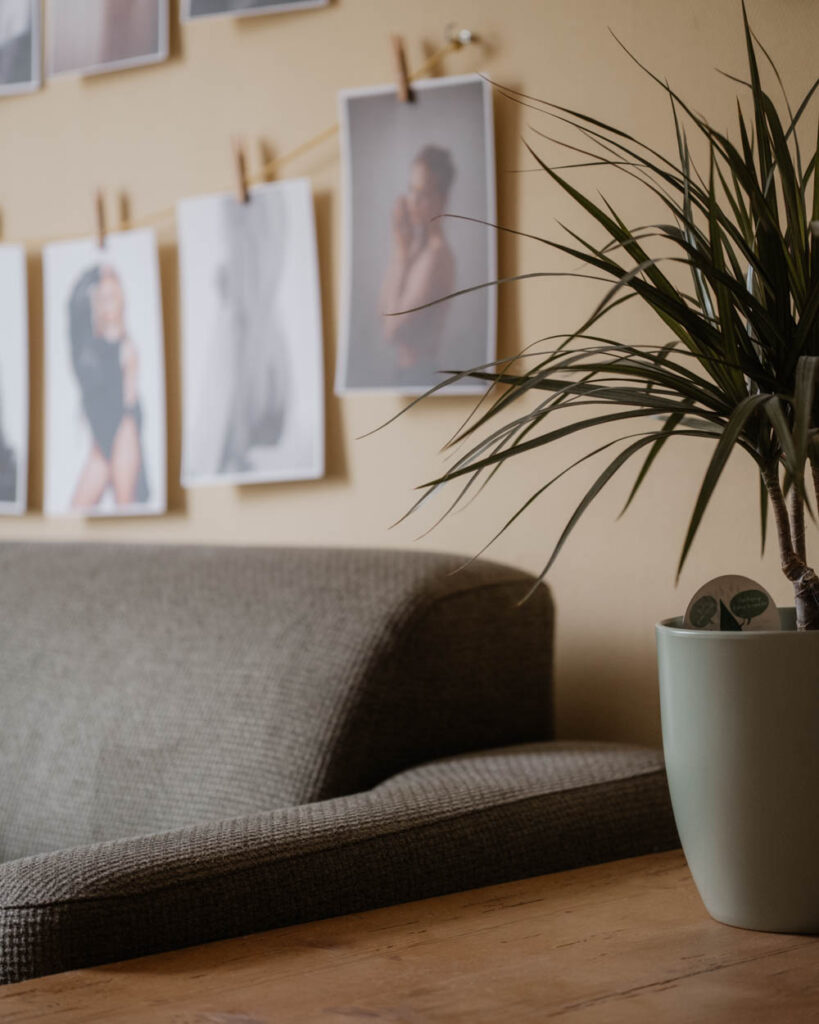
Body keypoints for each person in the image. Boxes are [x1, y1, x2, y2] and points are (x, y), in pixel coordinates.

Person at [68, 264, 149, 509]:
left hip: (123, 431)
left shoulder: (128, 349)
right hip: (101, 440)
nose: (107, 304)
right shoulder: (85, 344)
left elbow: (130, 407)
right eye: (101, 298)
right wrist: (95, 272)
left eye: (112, 297)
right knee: (77, 509)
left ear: (121, 300)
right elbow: (73, 306)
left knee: (126, 509)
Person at [380, 144, 456, 385]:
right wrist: (400, 248)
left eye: (422, 195)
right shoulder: (416, 246)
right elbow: (382, 313)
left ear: (441, 201)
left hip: (420, 375)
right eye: (411, 190)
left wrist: (401, 254)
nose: (412, 202)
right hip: (405, 373)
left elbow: (391, 330)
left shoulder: (435, 257)